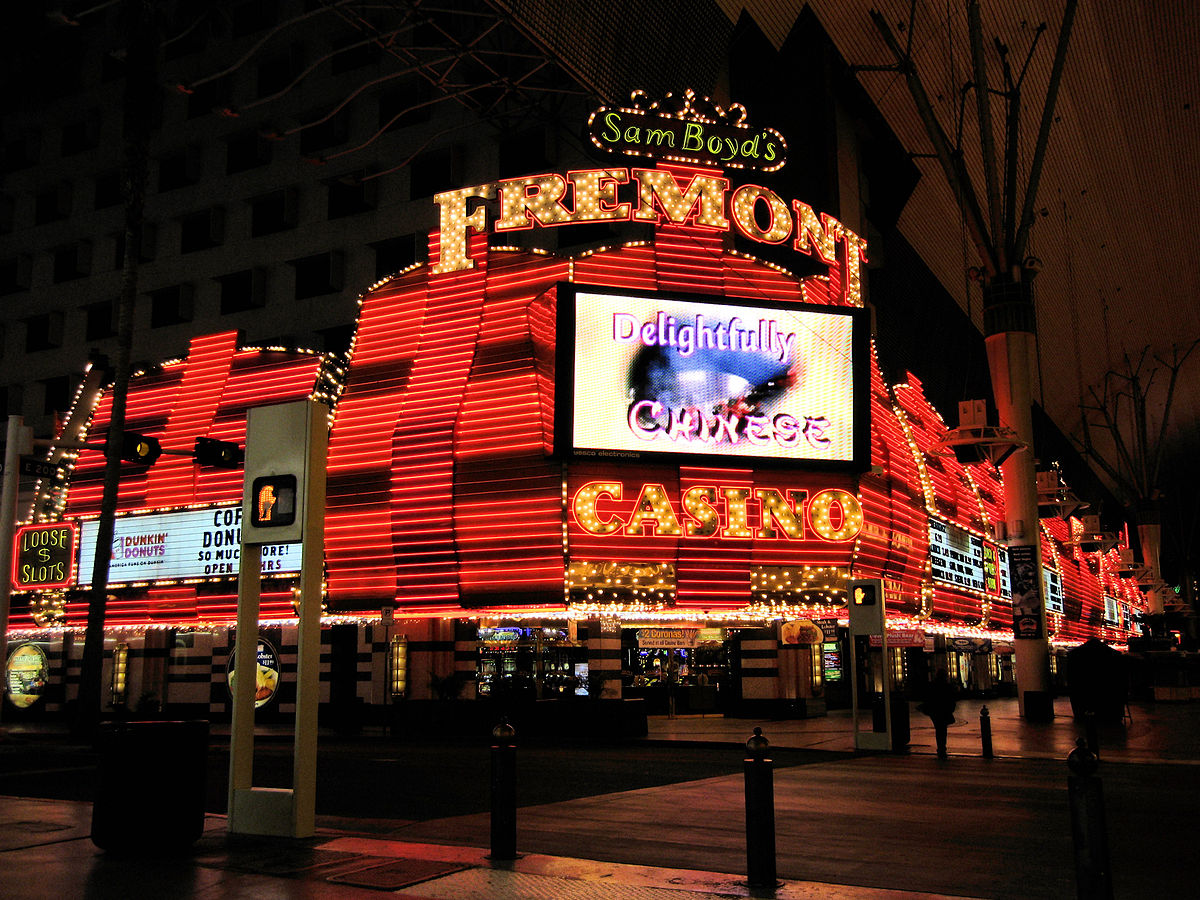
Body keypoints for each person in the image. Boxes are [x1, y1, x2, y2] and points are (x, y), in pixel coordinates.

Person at [922, 669, 958, 759]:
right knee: (942, 730)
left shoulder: (933, 685)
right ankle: (942, 748)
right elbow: (952, 698)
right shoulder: (947, 686)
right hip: (944, 710)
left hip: (935, 711)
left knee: (939, 730)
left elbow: (928, 697)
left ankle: (940, 748)